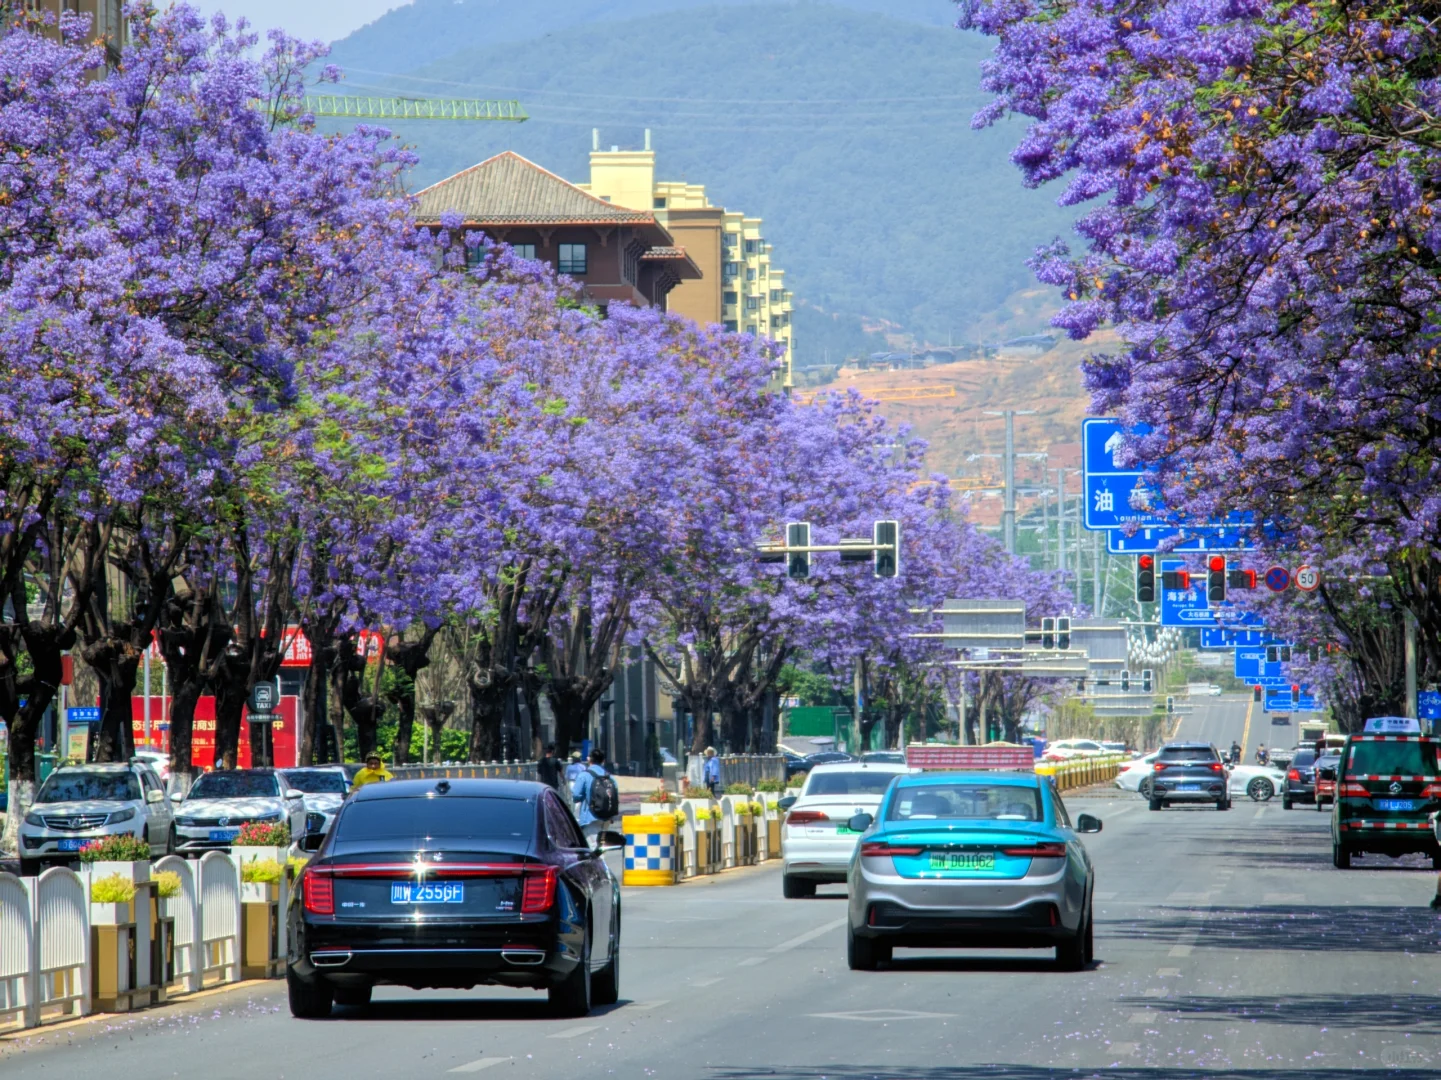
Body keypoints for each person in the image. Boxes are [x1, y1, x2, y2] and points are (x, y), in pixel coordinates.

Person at [571, 749, 615, 844]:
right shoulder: (609, 776)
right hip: (606, 817)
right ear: (603, 761)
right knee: (602, 847)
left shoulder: (584, 775)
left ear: (589, 760)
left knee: (593, 849)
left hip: (590, 817)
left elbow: (576, 795)